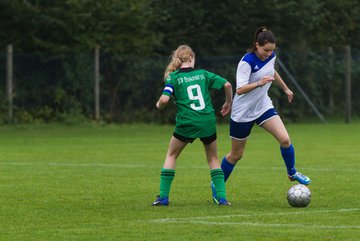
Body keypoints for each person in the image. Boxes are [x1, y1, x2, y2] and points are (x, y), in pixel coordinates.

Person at [211, 26, 310, 199]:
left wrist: (286, 89)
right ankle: (217, 186)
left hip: (262, 106)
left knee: (285, 139)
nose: (269, 54)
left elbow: (271, 71)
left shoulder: (271, 56)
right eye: (266, 50)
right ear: (257, 45)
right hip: (242, 112)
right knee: (236, 155)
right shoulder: (246, 62)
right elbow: (240, 89)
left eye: (272, 50)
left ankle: (292, 172)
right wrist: (259, 83)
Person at [152, 44, 233, 206]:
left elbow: (164, 100)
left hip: (187, 122)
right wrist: (228, 103)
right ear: (191, 58)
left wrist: (158, 106)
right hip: (207, 120)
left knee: (171, 155)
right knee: (213, 158)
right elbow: (228, 85)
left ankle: (163, 197)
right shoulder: (203, 74)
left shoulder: (173, 77)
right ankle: (222, 198)